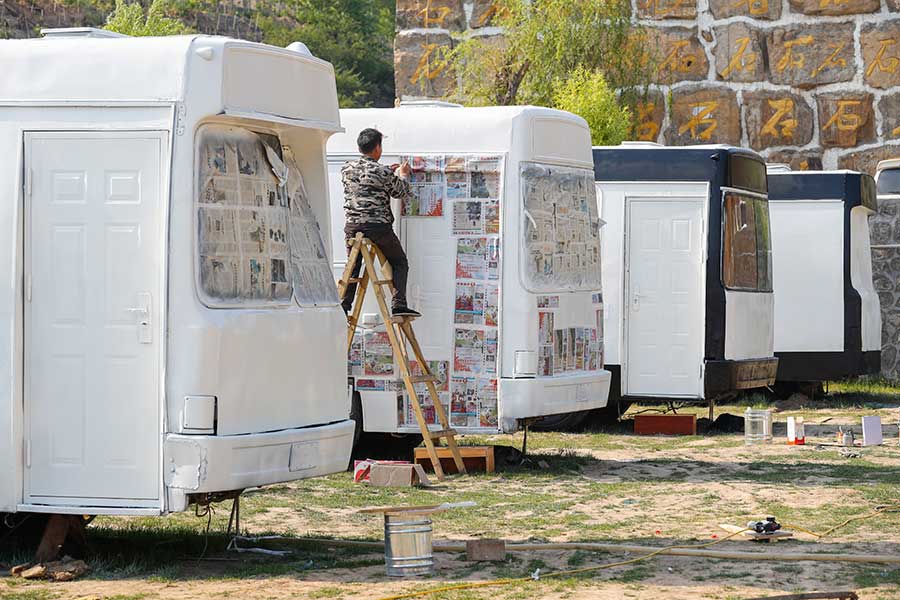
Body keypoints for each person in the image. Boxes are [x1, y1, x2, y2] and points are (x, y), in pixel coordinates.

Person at [341, 128, 420, 317]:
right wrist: (402, 174)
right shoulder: (382, 172)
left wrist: (388, 172)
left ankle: (344, 304)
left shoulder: (346, 169)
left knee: (353, 266)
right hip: (378, 228)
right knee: (399, 262)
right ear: (377, 147)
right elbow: (401, 191)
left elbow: (367, 178)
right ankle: (399, 304)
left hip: (353, 227)